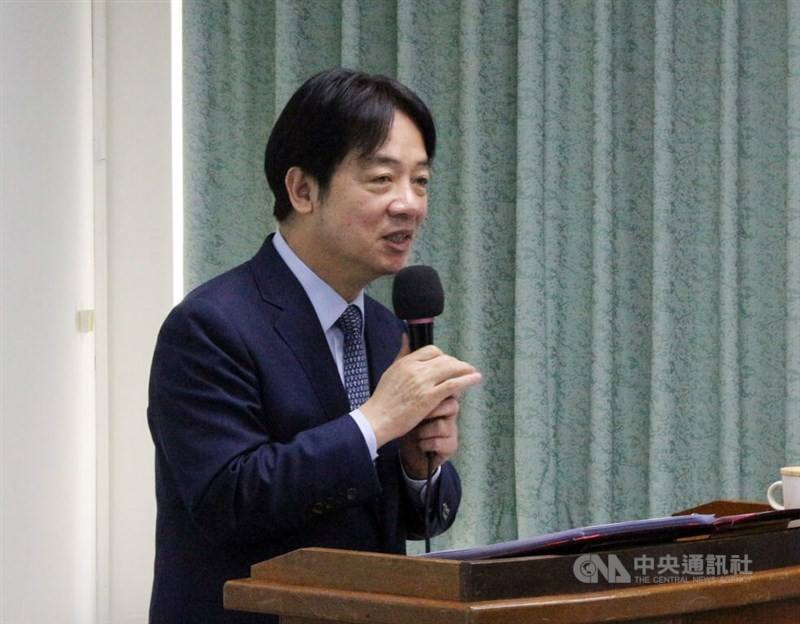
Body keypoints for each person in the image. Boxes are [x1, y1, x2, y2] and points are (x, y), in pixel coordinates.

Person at [147, 68, 482, 623]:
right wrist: (377, 422)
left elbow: (413, 518)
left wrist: (417, 468)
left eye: (420, 181)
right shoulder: (209, 326)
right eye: (381, 179)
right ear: (302, 189)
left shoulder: (381, 327)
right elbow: (227, 500)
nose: (409, 204)